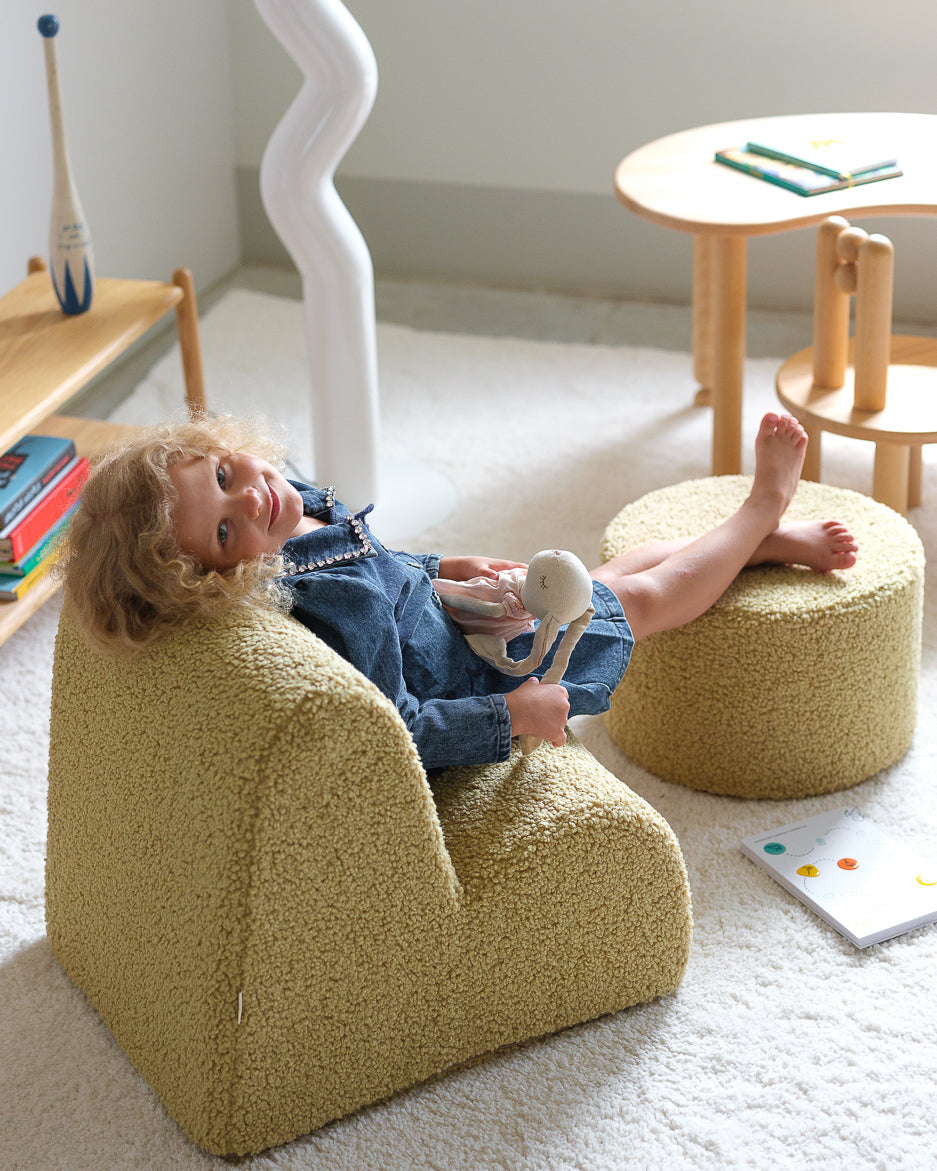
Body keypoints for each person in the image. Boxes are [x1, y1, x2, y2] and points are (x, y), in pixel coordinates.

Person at [60, 411, 857, 770]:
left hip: (463, 613)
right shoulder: (327, 605)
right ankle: (762, 508)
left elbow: (381, 556)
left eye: (228, 475)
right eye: (227, 530)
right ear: (215, 578)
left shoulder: (292, 513)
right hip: (490, 667)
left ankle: (756, 545)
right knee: (644, 600)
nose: (254, 497)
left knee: (612, 570)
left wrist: (446, 568)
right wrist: (511, 716)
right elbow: (398, 726)